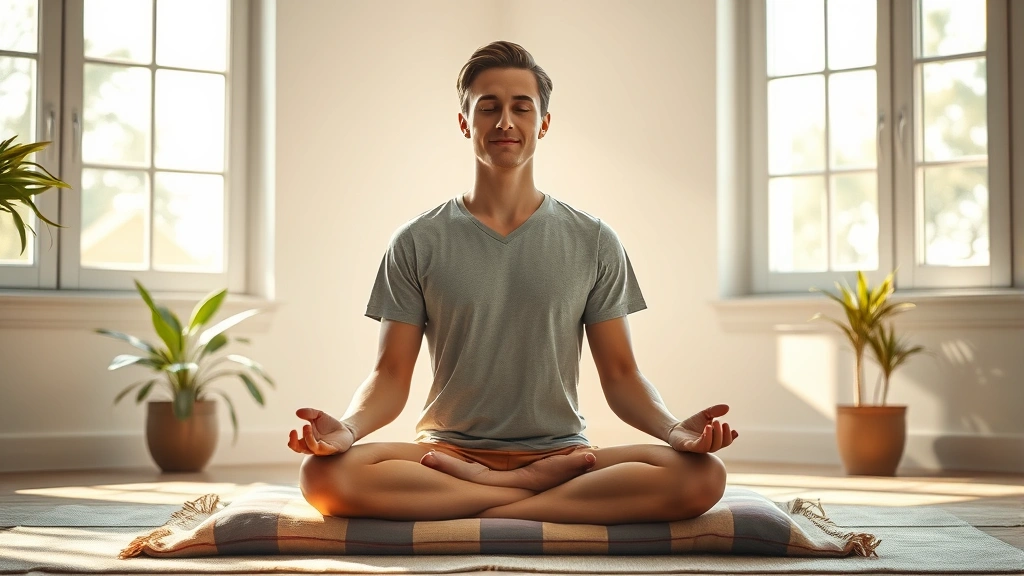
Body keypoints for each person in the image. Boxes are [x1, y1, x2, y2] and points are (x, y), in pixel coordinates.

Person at [287, 40, 738, 524]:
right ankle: (527, 499)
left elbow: (622, 375)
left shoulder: (594, 239)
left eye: (521, 108)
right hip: (447, 459)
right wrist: (348, 431)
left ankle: (494, 496)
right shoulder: (417, 240)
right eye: (489, 108)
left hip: (562, 459)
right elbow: (390, 375)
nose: (505, 122)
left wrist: (673, 431)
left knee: (703, 476)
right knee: (322, 477)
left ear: (543, 123)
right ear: (465, 123)